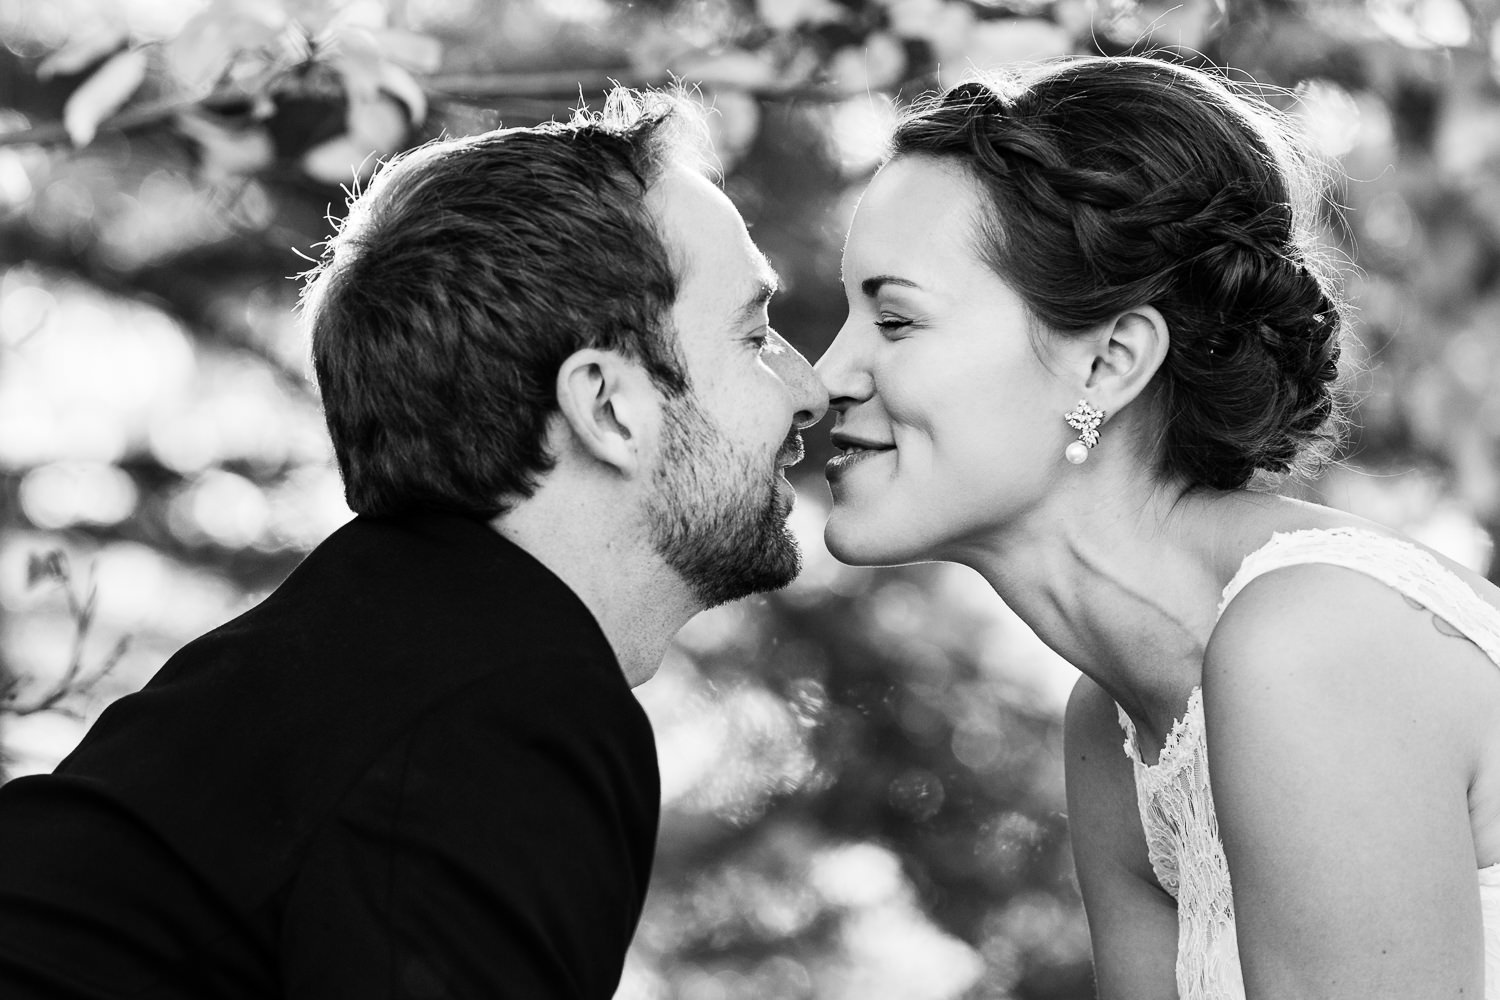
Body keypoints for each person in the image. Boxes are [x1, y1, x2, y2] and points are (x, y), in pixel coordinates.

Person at [0, 90, 826, 999]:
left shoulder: (367, 662)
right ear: (607, 407)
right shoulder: (502, 704)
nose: (809, 392)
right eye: (754, 335)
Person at [815, 55, 1500, 1000]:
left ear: (1108, 364)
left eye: (894, 322)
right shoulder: (1115, 728)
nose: (823, 375)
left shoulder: (1317, 642)